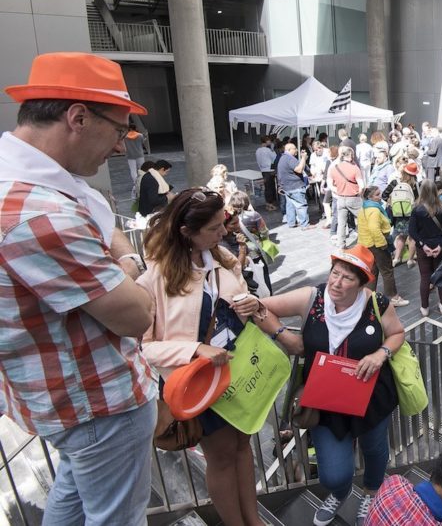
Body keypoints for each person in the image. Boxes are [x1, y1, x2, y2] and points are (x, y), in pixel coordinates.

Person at [0, 53, 157, 525]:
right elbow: (137, 314)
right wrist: (128, 261)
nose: (118, 148)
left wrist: (112, 259)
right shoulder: (42, 214)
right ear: (78, 117)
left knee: (70, 500)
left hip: (58, 402)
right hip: (98, 404)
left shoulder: (34, 188)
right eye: (119, 131)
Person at [139, 187, 270, 526]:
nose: (224, 232)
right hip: (199, 386)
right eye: (214, 228)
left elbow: (235, 306)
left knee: (243, 448)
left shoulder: (222, 260)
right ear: (186, 232)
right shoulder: (155, 278)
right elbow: (143, 346)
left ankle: (253, 520)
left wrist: (252, 305)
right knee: (223, 457)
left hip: (235, 373)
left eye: (222, 224)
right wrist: (195, 349)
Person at [256, 246, 405, 526]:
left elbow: (397, 334)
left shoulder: (378, 304)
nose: (337, 282)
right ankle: (340, 491)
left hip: (371, 397)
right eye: (335, 273)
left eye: (347, 278)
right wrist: (284, 336)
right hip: (325, 401)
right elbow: (260, 307)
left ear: (363, 283)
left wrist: (380, 354)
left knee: (374, 449)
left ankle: (372, 491)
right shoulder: (311, 298)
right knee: (333, 473)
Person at [357, 186, 409, 307]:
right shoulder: (374, 211)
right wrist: (383, 244)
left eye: (379, 193)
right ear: (370, 197)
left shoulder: (364, 208)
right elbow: (374, 229)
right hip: (377, 245)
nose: (380, 196)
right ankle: (393, 297)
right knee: (387, 271)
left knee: (373, 272)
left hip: (367, 244)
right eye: (377, 194)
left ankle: (369, 298)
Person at [409, 180, 442, 316]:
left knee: (425, 277)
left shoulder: (417, 210)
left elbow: (412, 231)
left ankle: (424, 308)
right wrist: (440, 246)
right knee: (440, 276)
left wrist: (423, 245)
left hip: (423, 248)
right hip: (439, 246)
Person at [330, 146, 364, 247]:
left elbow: (331, 185)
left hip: (340, 198)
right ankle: (363, 241)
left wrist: (338, 191)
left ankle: (341, 244)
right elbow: (361, 185)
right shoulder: (355, 168)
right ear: (351, 156)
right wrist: (360, 193)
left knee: (341, 223)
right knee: (364, 219)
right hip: (353, 197)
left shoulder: (334, 168)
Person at [277, 142, 310, 230]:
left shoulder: (283, 158)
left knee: (290, 205)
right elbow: (299, 169)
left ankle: (291, 222)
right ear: (289, 150)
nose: (296, 150)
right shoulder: (289, 158)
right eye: (294, 148)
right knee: (301, 205)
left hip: (287, 187)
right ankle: (304, 224)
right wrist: (303, 158)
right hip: (295, 186)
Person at [123, 121, 147, 188]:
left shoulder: (125, 136)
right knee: (142, 169)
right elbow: (142, 142)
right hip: (139, 154)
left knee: (133, 170)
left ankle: (136, 183)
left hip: (130, 155)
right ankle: (143, 182)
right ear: (135, 128)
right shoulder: (140, 135)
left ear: (129, 128)